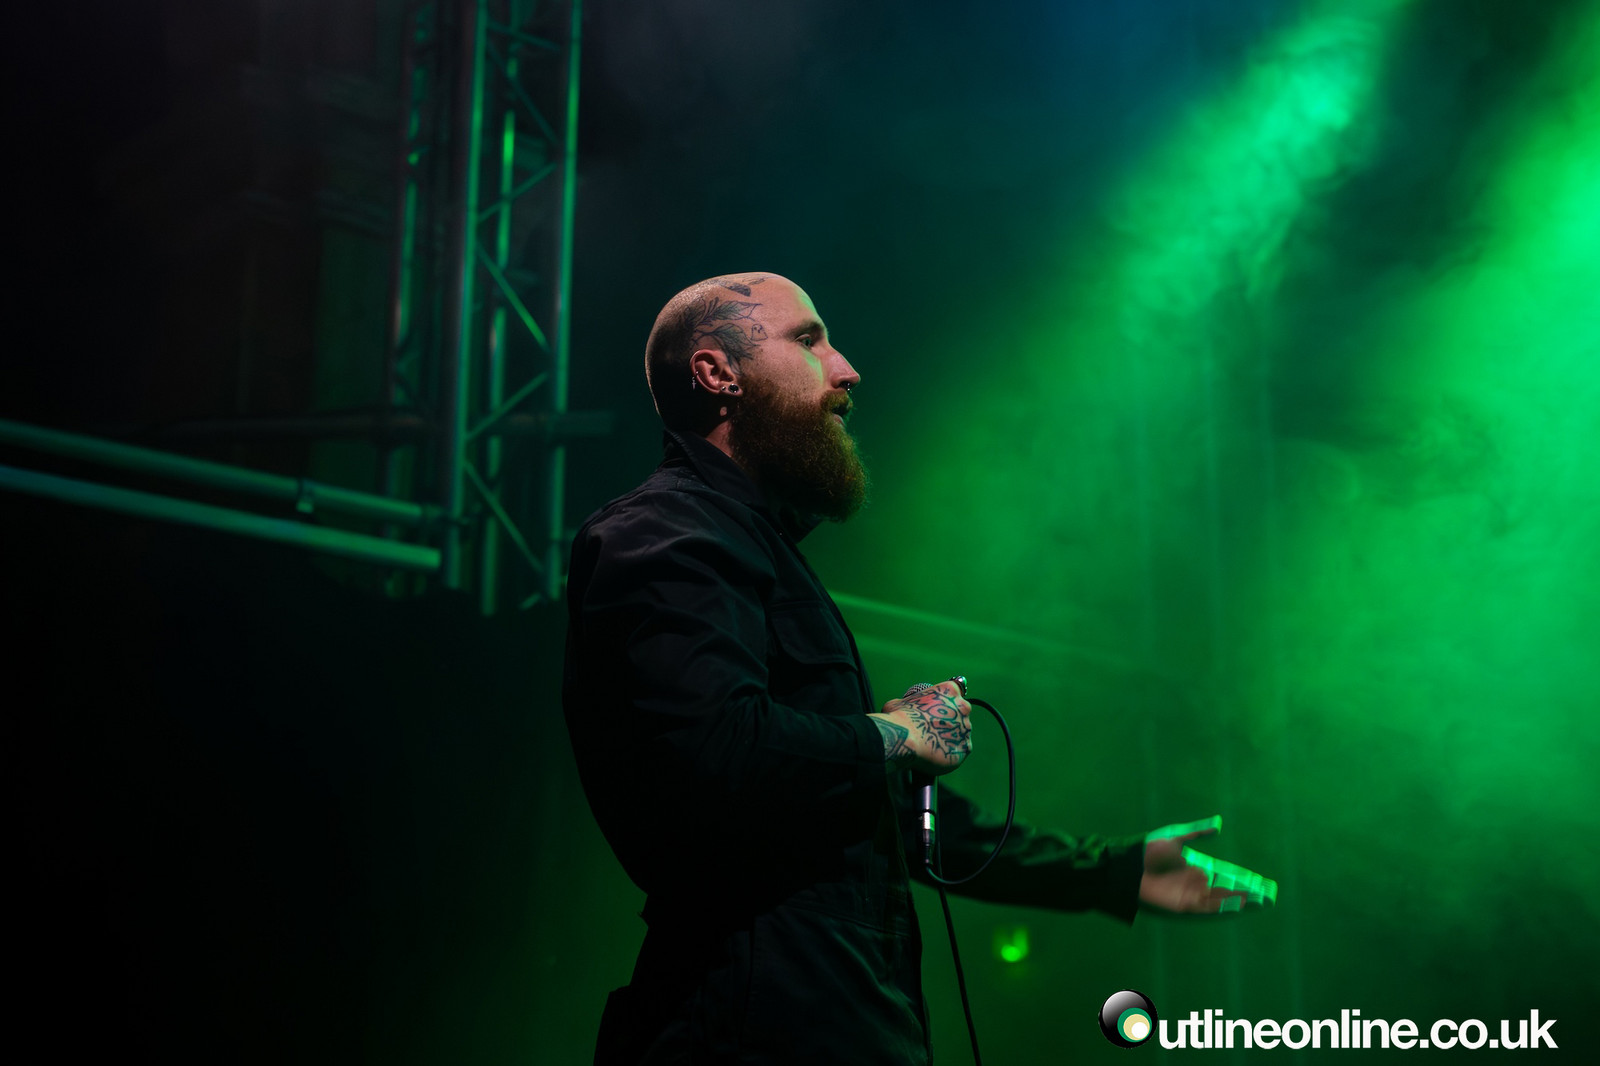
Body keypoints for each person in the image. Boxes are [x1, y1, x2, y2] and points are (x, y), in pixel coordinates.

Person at [562, 272, 1275, 1065]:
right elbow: (715, 748)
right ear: (717, 372)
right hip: (749, 1025)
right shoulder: (664, 534)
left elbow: (886, 816)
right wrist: (895, 733)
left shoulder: (754, 547)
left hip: (837, 1013)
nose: (846, 369)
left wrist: (1110, 871)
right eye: (808, 340)